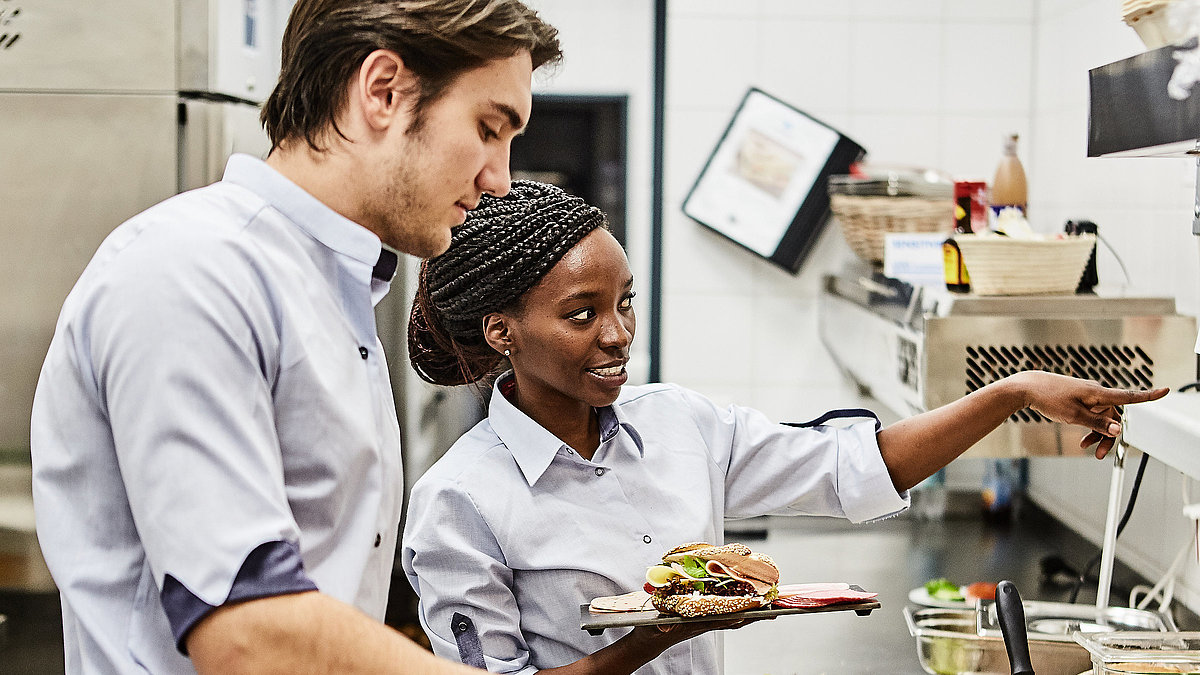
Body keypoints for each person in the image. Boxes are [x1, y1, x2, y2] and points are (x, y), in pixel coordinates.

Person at [400, 180, 1168, 675]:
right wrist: (648, 640)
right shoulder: (460, 501)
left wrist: (1010, 392)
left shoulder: (678, 423)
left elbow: (854, 465)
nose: (619, 333)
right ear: (502, 332)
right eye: (582, 313)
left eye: (625, 301)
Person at [29, 2, 560, 673]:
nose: (499, 180)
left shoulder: (336, 289)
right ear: (383, 91)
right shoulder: (193, 271)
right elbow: (249, 633)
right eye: (488, 129)